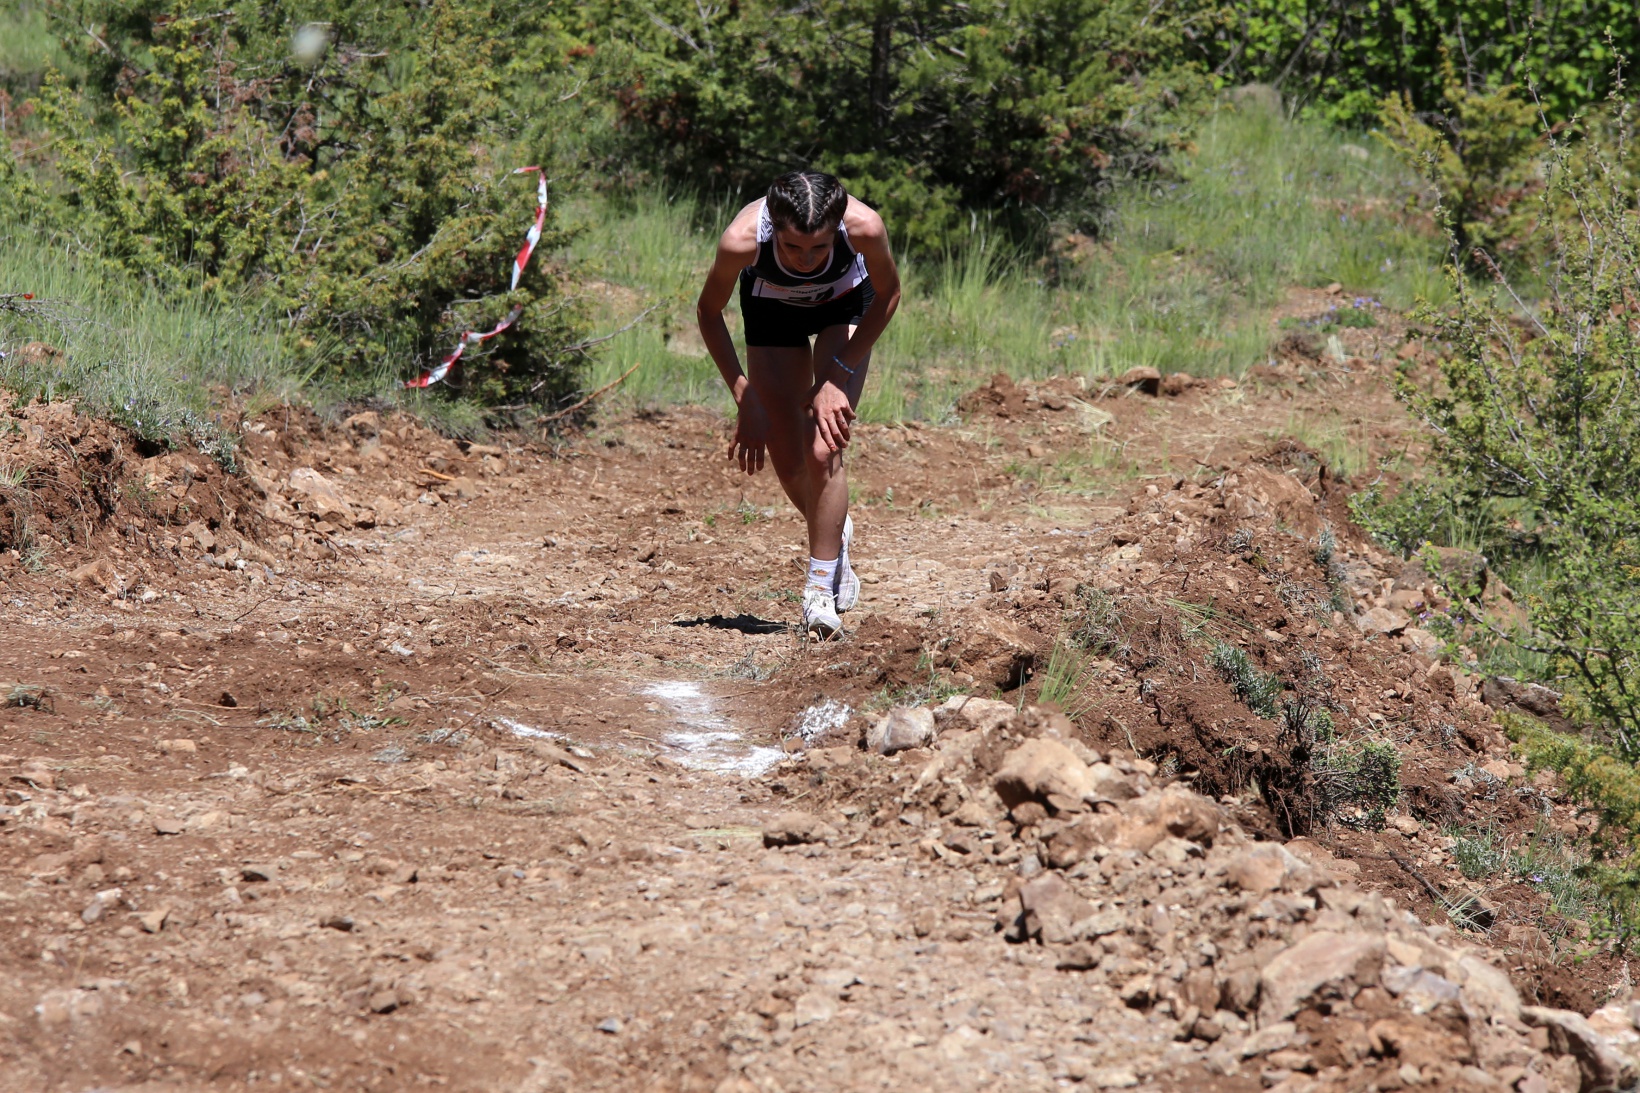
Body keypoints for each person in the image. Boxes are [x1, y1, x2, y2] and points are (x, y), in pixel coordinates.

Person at [696, 170, 901, 641]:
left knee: (823, 447)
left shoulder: (865, 227)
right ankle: (836, 531)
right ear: (774, 228)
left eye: (819, 249)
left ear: (837, 230)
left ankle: (819, 591)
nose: (805, 259)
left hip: (844, 310)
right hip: (772, 316)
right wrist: (743, 394)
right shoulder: (742, 241)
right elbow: (708, 312)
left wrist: (838, 373)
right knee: (788, 458)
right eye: (792, 248)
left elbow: (889, 294)